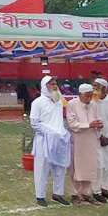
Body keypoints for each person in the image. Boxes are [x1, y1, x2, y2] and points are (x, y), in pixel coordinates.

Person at [29, 76, 71, 207]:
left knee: (60, 168)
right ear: (44, 86)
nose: (54, 86)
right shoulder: (38, 102)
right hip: (43, 140)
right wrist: (49, 132)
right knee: (42, 169)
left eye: (55, 83)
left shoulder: (58, 101)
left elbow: (61, 118)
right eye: (51, 84)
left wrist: (63, 132)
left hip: (59, 139)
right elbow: (34, 123)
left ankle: (57, 194)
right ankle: (40, 196)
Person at [66, 84, 102, 206]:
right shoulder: (71, 104)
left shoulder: (93, 104)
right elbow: (72, 123)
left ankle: (86, 193)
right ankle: (74, 194)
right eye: (87, 96)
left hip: (91, 139)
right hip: (78, 140)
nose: (89, 98)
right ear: (80, 94)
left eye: (90, 96)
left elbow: (97, 118)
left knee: (90, 166)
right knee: (76, 168)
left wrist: (99, 124)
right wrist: (88, 125)